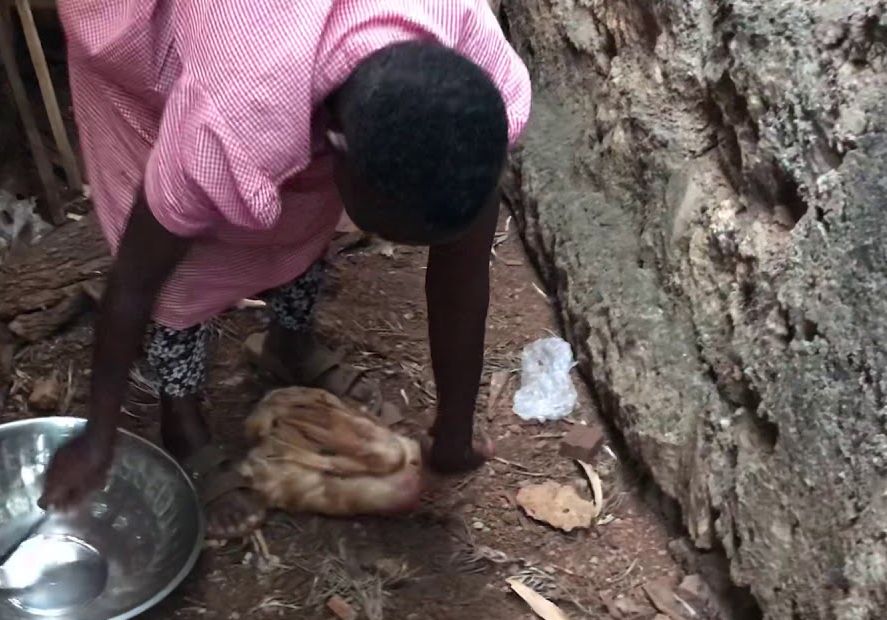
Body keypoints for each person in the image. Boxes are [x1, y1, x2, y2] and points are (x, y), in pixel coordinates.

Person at [42, 0, 532, 538]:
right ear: (337, 145)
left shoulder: (474, 66)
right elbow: (137, 278)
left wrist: (454, 432)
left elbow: (462, 269)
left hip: (302, 73)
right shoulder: (229, 117)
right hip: (193, 37)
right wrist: (99, 433)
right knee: (188, 268)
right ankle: (182, 420)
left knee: (303, 217)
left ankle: (288, 343)